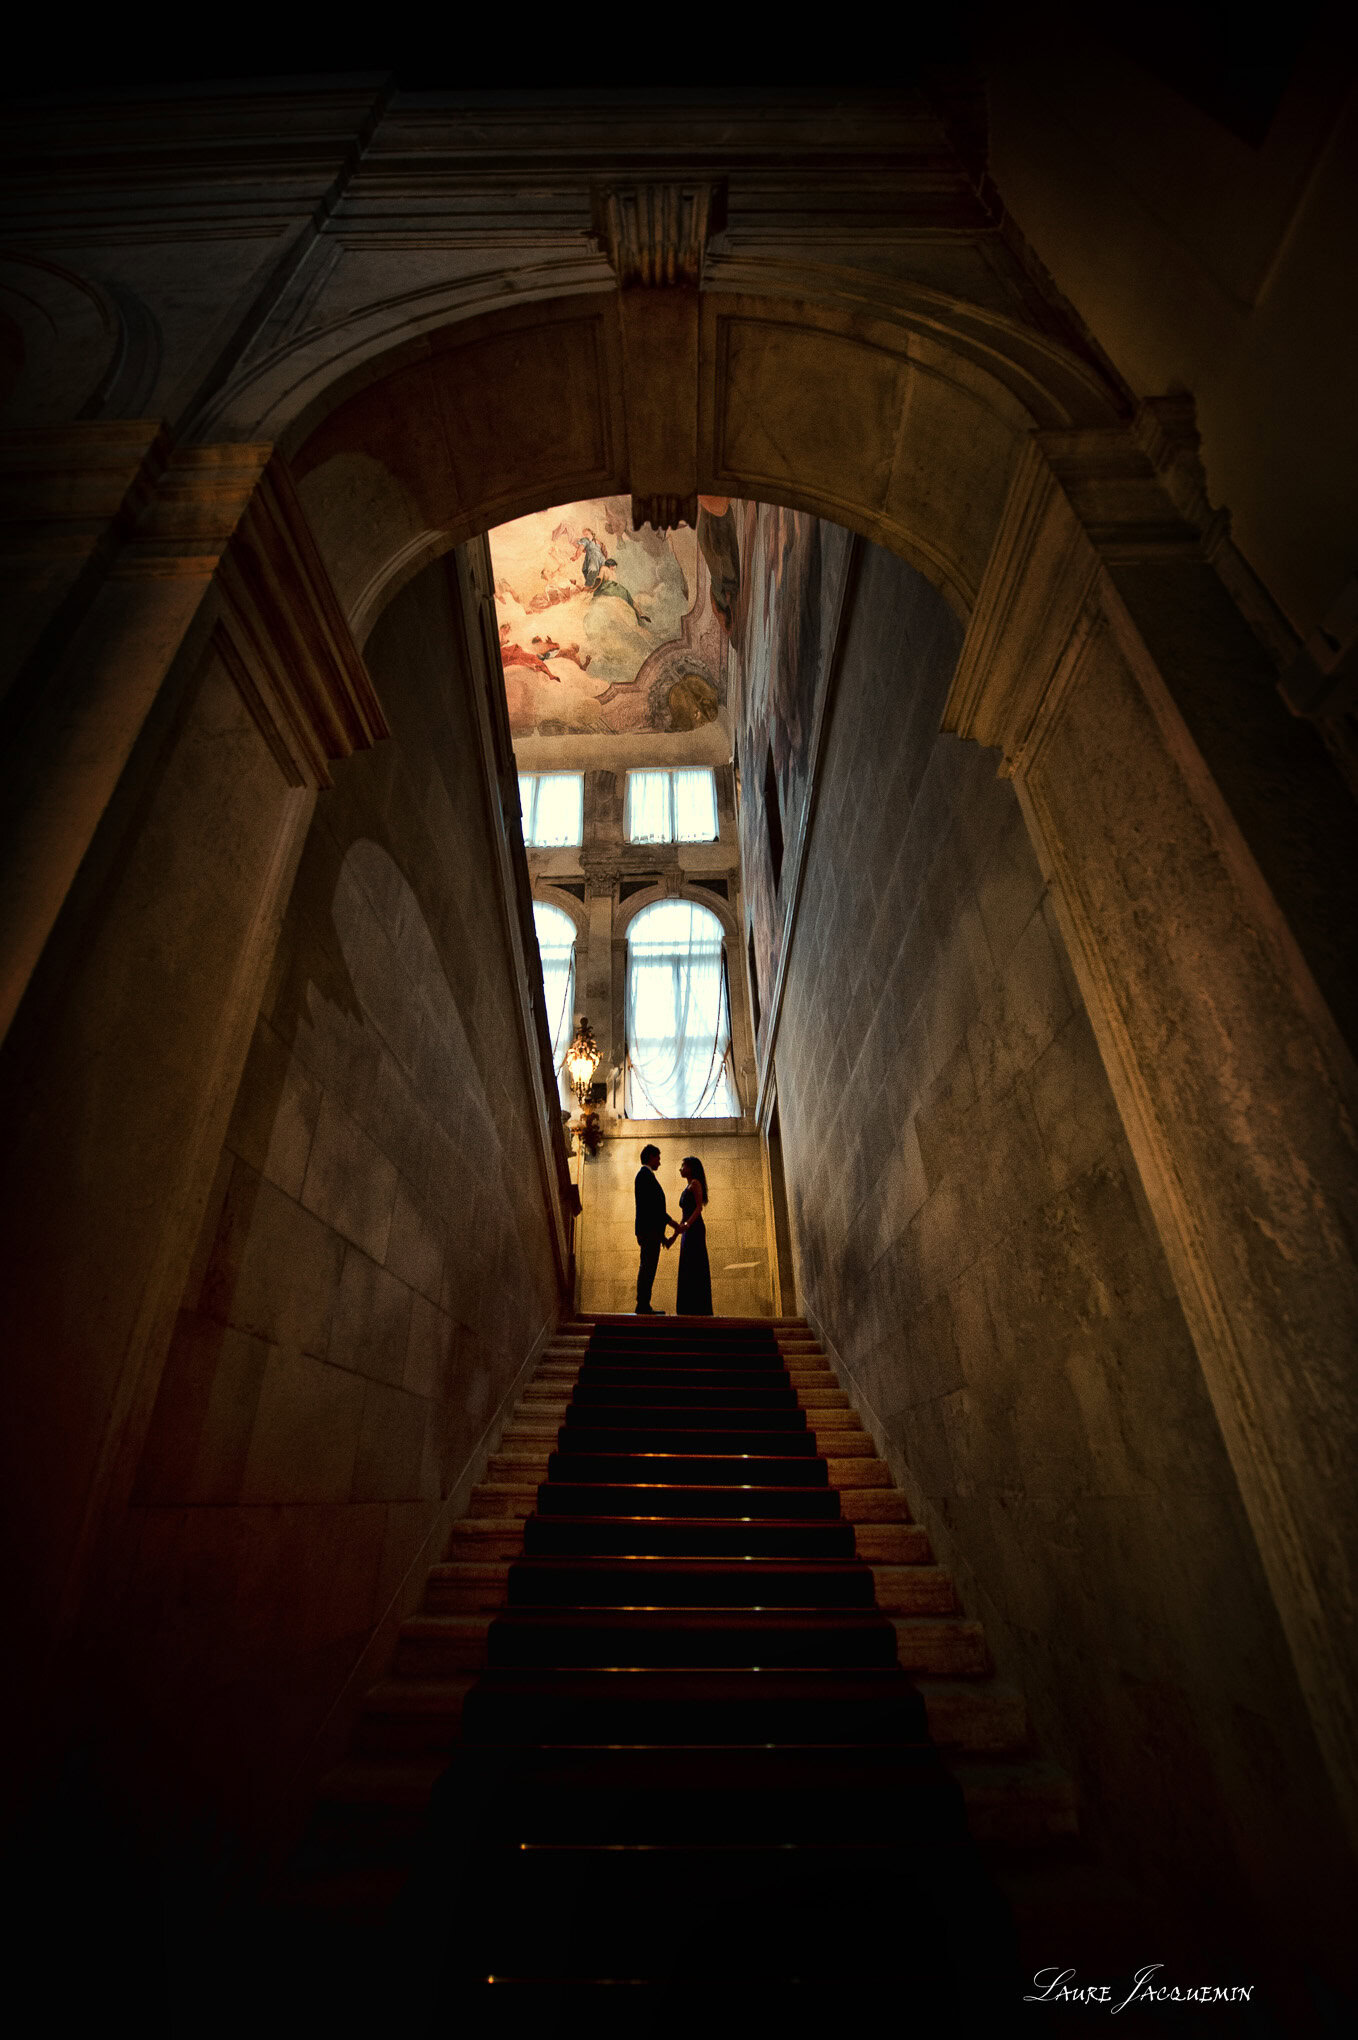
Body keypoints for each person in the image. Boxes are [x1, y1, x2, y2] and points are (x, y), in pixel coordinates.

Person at [665, 1155, 712, 1315]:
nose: (681, 1168)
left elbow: (698, 1208)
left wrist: (687, 1225)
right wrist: (674, 1236)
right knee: (687, 1265)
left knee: (694, 1265)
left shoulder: (695, 1184)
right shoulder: (688, 1186)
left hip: (696, 1228)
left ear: (691, 1168)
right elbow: (684, 1216)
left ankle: (698, 1308)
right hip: (689, 1228)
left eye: (683, 1166)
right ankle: (688, 1308)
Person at [633, 1143, 676, 1314]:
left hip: (650, 1231)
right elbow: (654, 1209)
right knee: (648, 1268)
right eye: (658, 1157)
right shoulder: (645, 1176)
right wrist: (674, 1225)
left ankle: (644, 1303)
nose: (660, 1162)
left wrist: (662, 1236)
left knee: (648, 1267)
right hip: (649, 1231)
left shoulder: (645, 1176)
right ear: (650, 1157)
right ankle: (642, 1305)